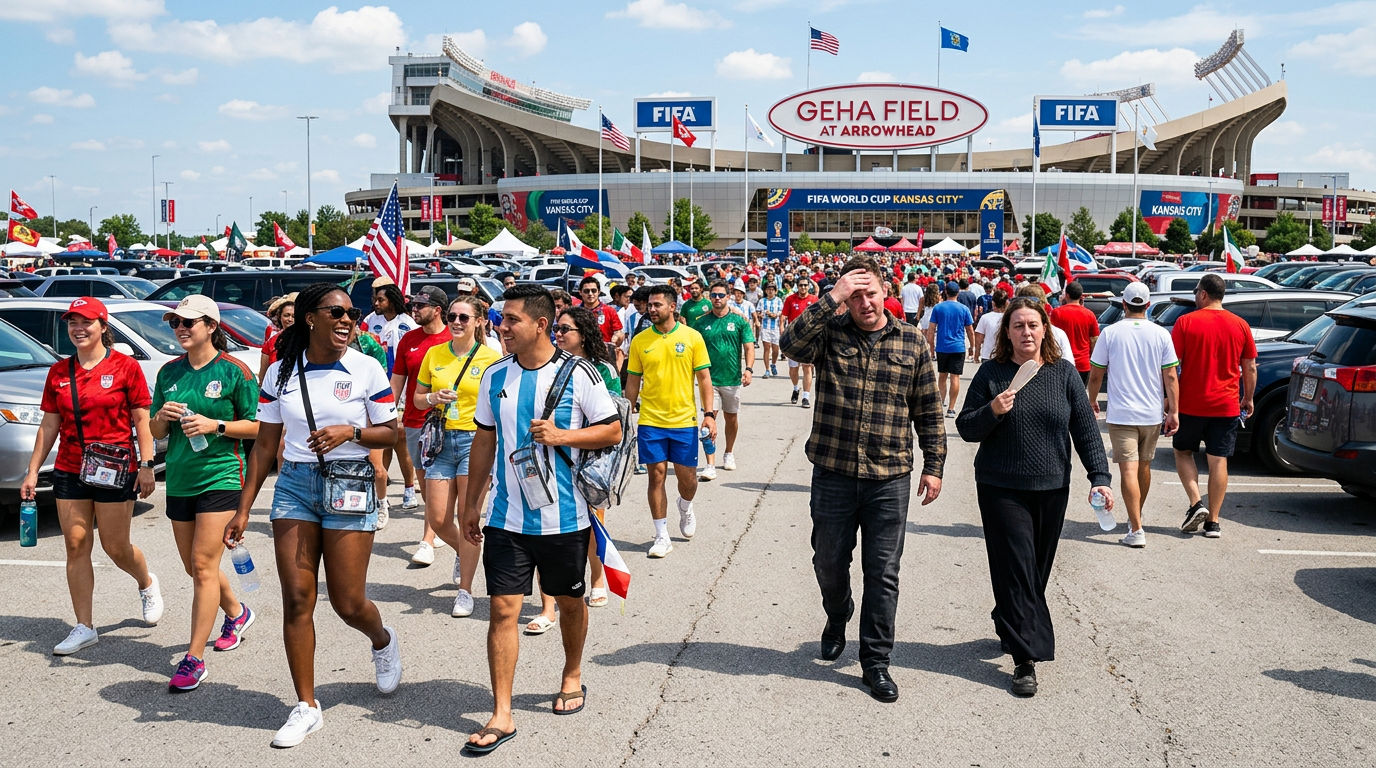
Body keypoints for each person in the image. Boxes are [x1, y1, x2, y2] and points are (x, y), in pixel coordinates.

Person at [224, 283, 402, 748]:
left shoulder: (366, 367)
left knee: (347, 602)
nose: (347, 320)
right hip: (295, 488)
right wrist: (243, 510)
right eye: (336, 312)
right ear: (310, 318)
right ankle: (306, 705)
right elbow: (264, 446)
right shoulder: (281, 372)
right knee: (297, 599)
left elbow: (391, 432)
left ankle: (382, 640)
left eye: (352, 312)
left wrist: (354, 431)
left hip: (349, 483)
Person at [460, 285, 622, 756]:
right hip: (507, 520)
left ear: (540, 325)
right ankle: (502, 712)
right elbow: (485, 442)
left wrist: (562, 434)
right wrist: (472, 504)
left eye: (510, 320)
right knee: (504, 610)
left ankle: (572, 673)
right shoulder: (495, 376)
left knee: (570, 605)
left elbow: (611, 429)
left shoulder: (581, 374)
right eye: (500, 319)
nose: (501, 327)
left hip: (566, 519)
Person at [779, 257, 945, 704]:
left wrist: (935, 465)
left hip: (889, 477)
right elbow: (789, 346)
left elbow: (928, 409)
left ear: (886, 290)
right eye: (854, 295)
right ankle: (837, 615)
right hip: (833, 471)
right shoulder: (829, 333)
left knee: (883, 572)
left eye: (870, 292)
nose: (865, 302)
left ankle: (875, 661)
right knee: (827, 560)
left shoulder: (912, 342)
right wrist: (829, 298)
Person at [955, 297, 1113, 697]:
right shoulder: (992, 373)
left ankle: (1008, 616)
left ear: (1046, 330)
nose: (1027, 332)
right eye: (1018, 325)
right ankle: (1027, 659)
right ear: (1005, 333)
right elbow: (966, 428)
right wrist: (992, 409)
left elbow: (1085, 429)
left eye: (1033, 325)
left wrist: (1100, 476)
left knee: (1035, 571)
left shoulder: (1063, 374)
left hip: (1051, 486)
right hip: (1000, 487)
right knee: (1017, 567)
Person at [22, 297, 163, 656]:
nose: (78, 329)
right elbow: (49, 425)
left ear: (103, 326)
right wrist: (32, 470)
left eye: (86, 322)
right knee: (75, 543)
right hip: (71, 466)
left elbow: (142, 421)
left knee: (115, 548)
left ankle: (146, 583)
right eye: (72, 323)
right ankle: (84, 626)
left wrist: (146, 465)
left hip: (115, 467)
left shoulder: (125, 367)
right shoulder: (59, 372)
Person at [150, 295, 261, 690]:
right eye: (175, 323)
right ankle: (236, 610)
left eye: (189, 323)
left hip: (222, 476)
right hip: (180, 478)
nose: (181, 329)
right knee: (196, 567)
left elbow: (260, 427)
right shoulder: (168, 372)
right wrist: (161, 418)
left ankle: (193, 659)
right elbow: (155, 432)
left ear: (211, 327)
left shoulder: (236, 371)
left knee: (201, 566)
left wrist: (216, 425)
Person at [412, 295, 503, 617]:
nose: (456, 322)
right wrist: (433, 397)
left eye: (464, 317)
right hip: (439, 441)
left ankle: (465, 591)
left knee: (469, 517)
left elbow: (500, 402)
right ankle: (463, 553)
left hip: (475, 442)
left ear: (479, 321)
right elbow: (418, 399)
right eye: (452, 316)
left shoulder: (492, 357)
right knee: (437, 518)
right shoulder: (434, 353)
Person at [1087, 283, 1180, 548]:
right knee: (1144, 467)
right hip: (1151, 413)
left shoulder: (1111, 333)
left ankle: (1136, 528)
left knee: (1128, 468)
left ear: (1124, 305)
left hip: (1121, 412)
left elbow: (1096, 373)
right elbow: (1171, 376)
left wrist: (1091, 400)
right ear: (1148, 306)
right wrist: (1174, 410)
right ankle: (1134, 518)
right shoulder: (1161, 334)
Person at [624, 284, 714, 558]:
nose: (651, 309)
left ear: (672, 306)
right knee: (656, 475)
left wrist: (709, 415)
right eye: (649, 305)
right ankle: (661, 535)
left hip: (684, 420)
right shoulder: (640, 341)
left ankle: (685, 506)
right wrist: (627, 416)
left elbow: (704, 379)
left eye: (656, 305)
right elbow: (632, 383)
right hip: (651, 421)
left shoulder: (692, 337)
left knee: (688, 479)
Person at [1171, 273, 1257, 539]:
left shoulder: (1185, 322)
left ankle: (1196, 503)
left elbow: (1172, 366)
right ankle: (1214, 523)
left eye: (1196, 291)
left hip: (1191, 403)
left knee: (1183, 452)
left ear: (1204, 294)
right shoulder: (1240, 325)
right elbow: (1250, 367)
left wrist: (1169, 401)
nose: (1195, 296)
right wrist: (1248, 398)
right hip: (1226, 405)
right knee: (1218, 461)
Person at [551, 305, 623, 612]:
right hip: (554, 457)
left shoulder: (603, 370)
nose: (558, 333)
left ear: (583, 334)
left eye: (564, 329)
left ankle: (597, 580)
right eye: (556, 328)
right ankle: (551, 598)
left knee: (594, 524)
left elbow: (616, 415)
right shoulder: (548, 366)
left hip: (591, 460)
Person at [390, 285, 453, 565]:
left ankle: (428, 538)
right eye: (413, 305)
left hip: (452, 422)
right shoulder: (408, 340)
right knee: (426, 483)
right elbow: (397, 382)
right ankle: (440, 525)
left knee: (441, 480)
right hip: (416, 420)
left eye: (420, 306)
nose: (414, 310)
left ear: (437, 310)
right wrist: (386, 412)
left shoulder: (455, 336)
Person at [362, 279, 417, 519]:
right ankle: (380, 491)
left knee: (400, 439)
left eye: (381, 299)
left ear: (392, 301)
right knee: (379, 439)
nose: (376, 303)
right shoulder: (369, 322)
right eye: (375, 298)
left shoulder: (408, 324)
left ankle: (408, 488)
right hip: (375, 388)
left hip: (400, 388)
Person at [691, 281, 755, 478]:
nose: (717, 299)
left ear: (728, 296)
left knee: (731, 418)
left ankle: (729, 452)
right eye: (714, 295)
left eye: (721, 295)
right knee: (709, 419)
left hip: (732, 378)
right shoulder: (701, 322)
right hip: (708, 380)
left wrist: (749, 369)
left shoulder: (739, 321)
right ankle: (710, 463)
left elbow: (749, 346)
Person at [929, 281, 975, 418]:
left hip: (942, 346)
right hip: (958, 347)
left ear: (945, 292)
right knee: (955, 377)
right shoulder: (964, 309)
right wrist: (972, 347)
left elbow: (931, 329)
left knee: (942, 376)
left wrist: (931, 347)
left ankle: (940, 403)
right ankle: (951, 408)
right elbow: (970, 330)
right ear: (958, 293)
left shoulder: (938, 308)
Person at [1049, 281, 1100, 385]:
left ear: (1067, 295)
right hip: (1083, 364)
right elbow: (1094, 339)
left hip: (1061, 362)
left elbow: (1050, 336)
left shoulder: (1056, 313)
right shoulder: (1089, 314)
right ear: (1080, 296)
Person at [782, 278, 819, 408]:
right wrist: (782, 330)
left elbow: (819, 316)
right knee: (793, 369)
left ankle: (806, 397)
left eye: (805, 285)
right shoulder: (790, 299)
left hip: (809, 338)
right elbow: (784, 316)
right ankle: (796, 388)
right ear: (797, 286)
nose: (803, 287)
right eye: (800, 285)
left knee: (807, 367)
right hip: (793, 338)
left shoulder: (814, 299)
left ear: (808, 286)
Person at [578, 275, 624, 349]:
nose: (590, 294)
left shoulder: (609, 311)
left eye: (593, 290)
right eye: (586, 291)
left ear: (599, 292)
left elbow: (618, 332)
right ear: (580, 292)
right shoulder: (575, 312)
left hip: (603, 353)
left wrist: (615, 339)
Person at [260, 293, 296, 383]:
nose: (290, 319)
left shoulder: (309, 340)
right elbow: (263, 376)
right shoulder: (271, 342)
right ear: (279, 317)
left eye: (294, 316)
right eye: (286, 315)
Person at [757, 281, 783, 378]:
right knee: (766, 348)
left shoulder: (779, 301)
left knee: (775, 349)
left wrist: (775, 315)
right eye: (768, 289)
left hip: (775, 327)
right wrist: (763, 314)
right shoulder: (762, 301)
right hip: (765, 327)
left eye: (772, 290)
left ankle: (773, 364)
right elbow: (758, 312)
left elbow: (781, 313)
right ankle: (767, 369)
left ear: (775, 291)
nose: (770, 291)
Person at [974, 289, 1008, 362]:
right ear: (1006, 303)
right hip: (1006, 355)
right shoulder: (1010, 318)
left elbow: (978, 338)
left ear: (993, 303)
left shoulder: (985, 318)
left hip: (987, 355)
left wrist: (977, 354)